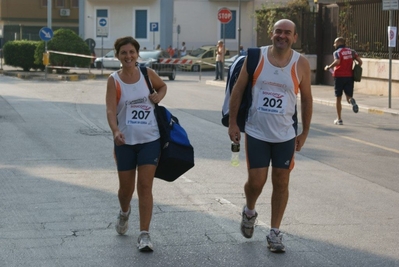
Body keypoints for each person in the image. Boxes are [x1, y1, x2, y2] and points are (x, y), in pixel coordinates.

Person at [228, 19, 313, 253]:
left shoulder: (301, 64)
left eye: (287, 32)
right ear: (271, 33)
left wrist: (304, 132)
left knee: (281, 181)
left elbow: (306, 99)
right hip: (257, 131)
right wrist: (233, 122)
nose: (282, 36)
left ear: (294, 37)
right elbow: (238, 89)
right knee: (256, 182)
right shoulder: (256, 58)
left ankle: (275, 232)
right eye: (278, 31)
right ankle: (249, 210)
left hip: (285, 134)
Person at [105, 36, 167, 252]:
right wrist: (115, 131)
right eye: (124, 53)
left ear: (137, 54)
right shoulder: (114, 80)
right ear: (118, 56)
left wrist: (158, 96)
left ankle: (144, 234)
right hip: (125, 142)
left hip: (150, 139)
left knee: (145, 186)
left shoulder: (146, 74)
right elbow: (111, 110)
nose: (128, 56)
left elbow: (162, 86)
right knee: (126, 189)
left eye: (132, 52)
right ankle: (124, 212)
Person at [324, 37, 362, 125]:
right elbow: (360, 62)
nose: (334, 45)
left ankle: (339, 119)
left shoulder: (337, 52)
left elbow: (337, 61)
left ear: (340, 42)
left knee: (338, 98)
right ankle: (352, 101)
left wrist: (329, 67)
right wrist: (355, 69)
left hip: (339, 77)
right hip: (349, 76)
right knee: (348, 97)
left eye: (335, 43)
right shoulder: (352, 51)